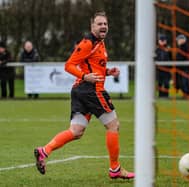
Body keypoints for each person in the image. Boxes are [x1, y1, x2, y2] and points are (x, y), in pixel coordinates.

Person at [34, 11, 135, 179]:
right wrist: (84, 76)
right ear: (92, 26)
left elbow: (93, 66)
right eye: (99, 24)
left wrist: (108, 72)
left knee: (76, 131)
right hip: (91, 90)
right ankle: (115, 169)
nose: (103, 26)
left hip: (82, 91)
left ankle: (44, 151)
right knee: (113, 125)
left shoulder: (100, 43)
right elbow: (69, 65)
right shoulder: (88, 43)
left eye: (105, 24)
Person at [175, 34, 189, 98]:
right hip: (181, 68)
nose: (177, 41)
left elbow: (185, 57)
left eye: (178, 40)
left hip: (184, 68)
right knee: (182, 82)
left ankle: (188, 94)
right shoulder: (181, 47)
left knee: (185, 81)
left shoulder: (185, 47)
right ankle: (185, 94)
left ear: (183, 40)